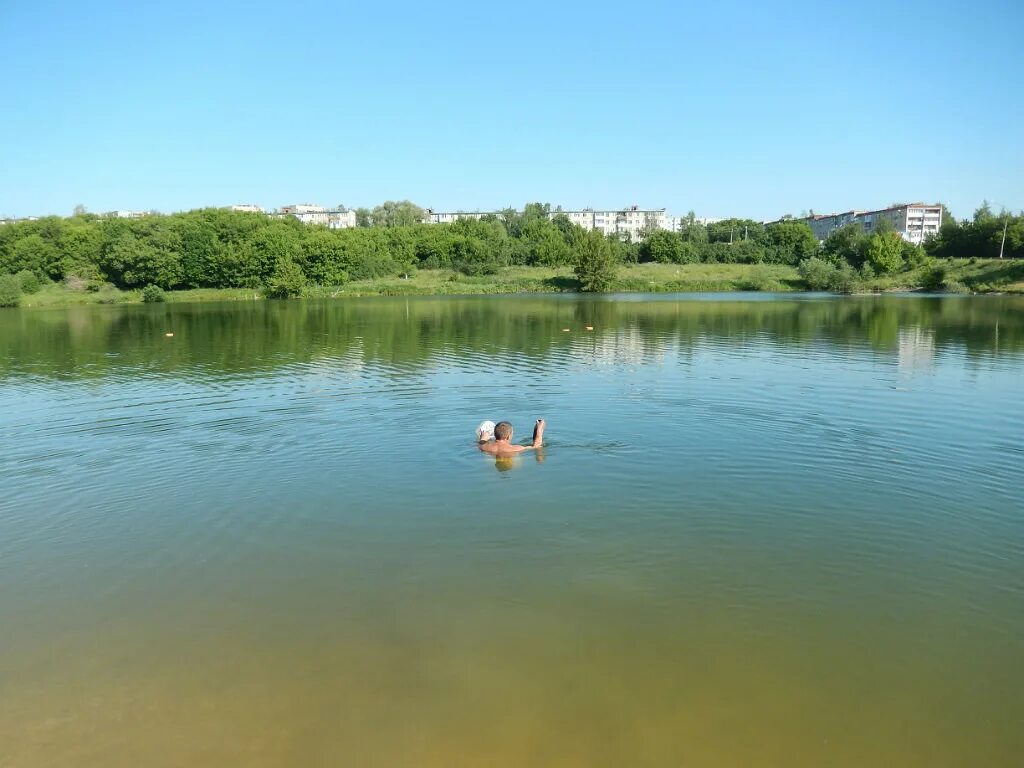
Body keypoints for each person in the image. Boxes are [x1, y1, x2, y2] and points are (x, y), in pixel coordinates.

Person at [478, 419, 545, 456]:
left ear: (494, 435)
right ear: (509, 436)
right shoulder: (515, 448)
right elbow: (537, 446)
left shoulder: (484, 447)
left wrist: (483, 439)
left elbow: (481, 442)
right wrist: (539, 429)